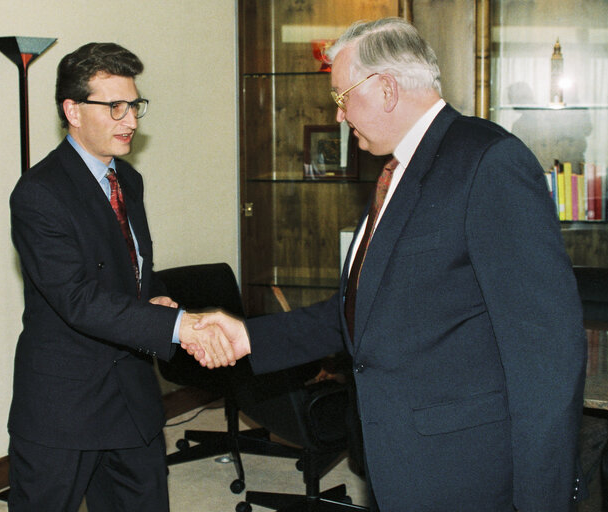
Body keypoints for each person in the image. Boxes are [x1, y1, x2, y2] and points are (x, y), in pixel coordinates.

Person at [195, 18, 587, 511]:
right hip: (400, 456)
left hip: (467, 468)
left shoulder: (488, 162)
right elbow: (364, 311)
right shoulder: (395, 170)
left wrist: (542, 500)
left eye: (341, 97)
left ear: (384, 89)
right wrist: (249, 336)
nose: (338, 116)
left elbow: (547, 352)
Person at [7, 42, 231, 511]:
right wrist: (178, 326)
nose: (130, 120)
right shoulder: (38, 193)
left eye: (134, 105)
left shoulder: (128, 179)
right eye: (114, 107)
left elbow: (136, 273)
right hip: (64, 402)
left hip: (132, 395)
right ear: (72, 110)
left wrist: (162, 300)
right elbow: (78, 300)